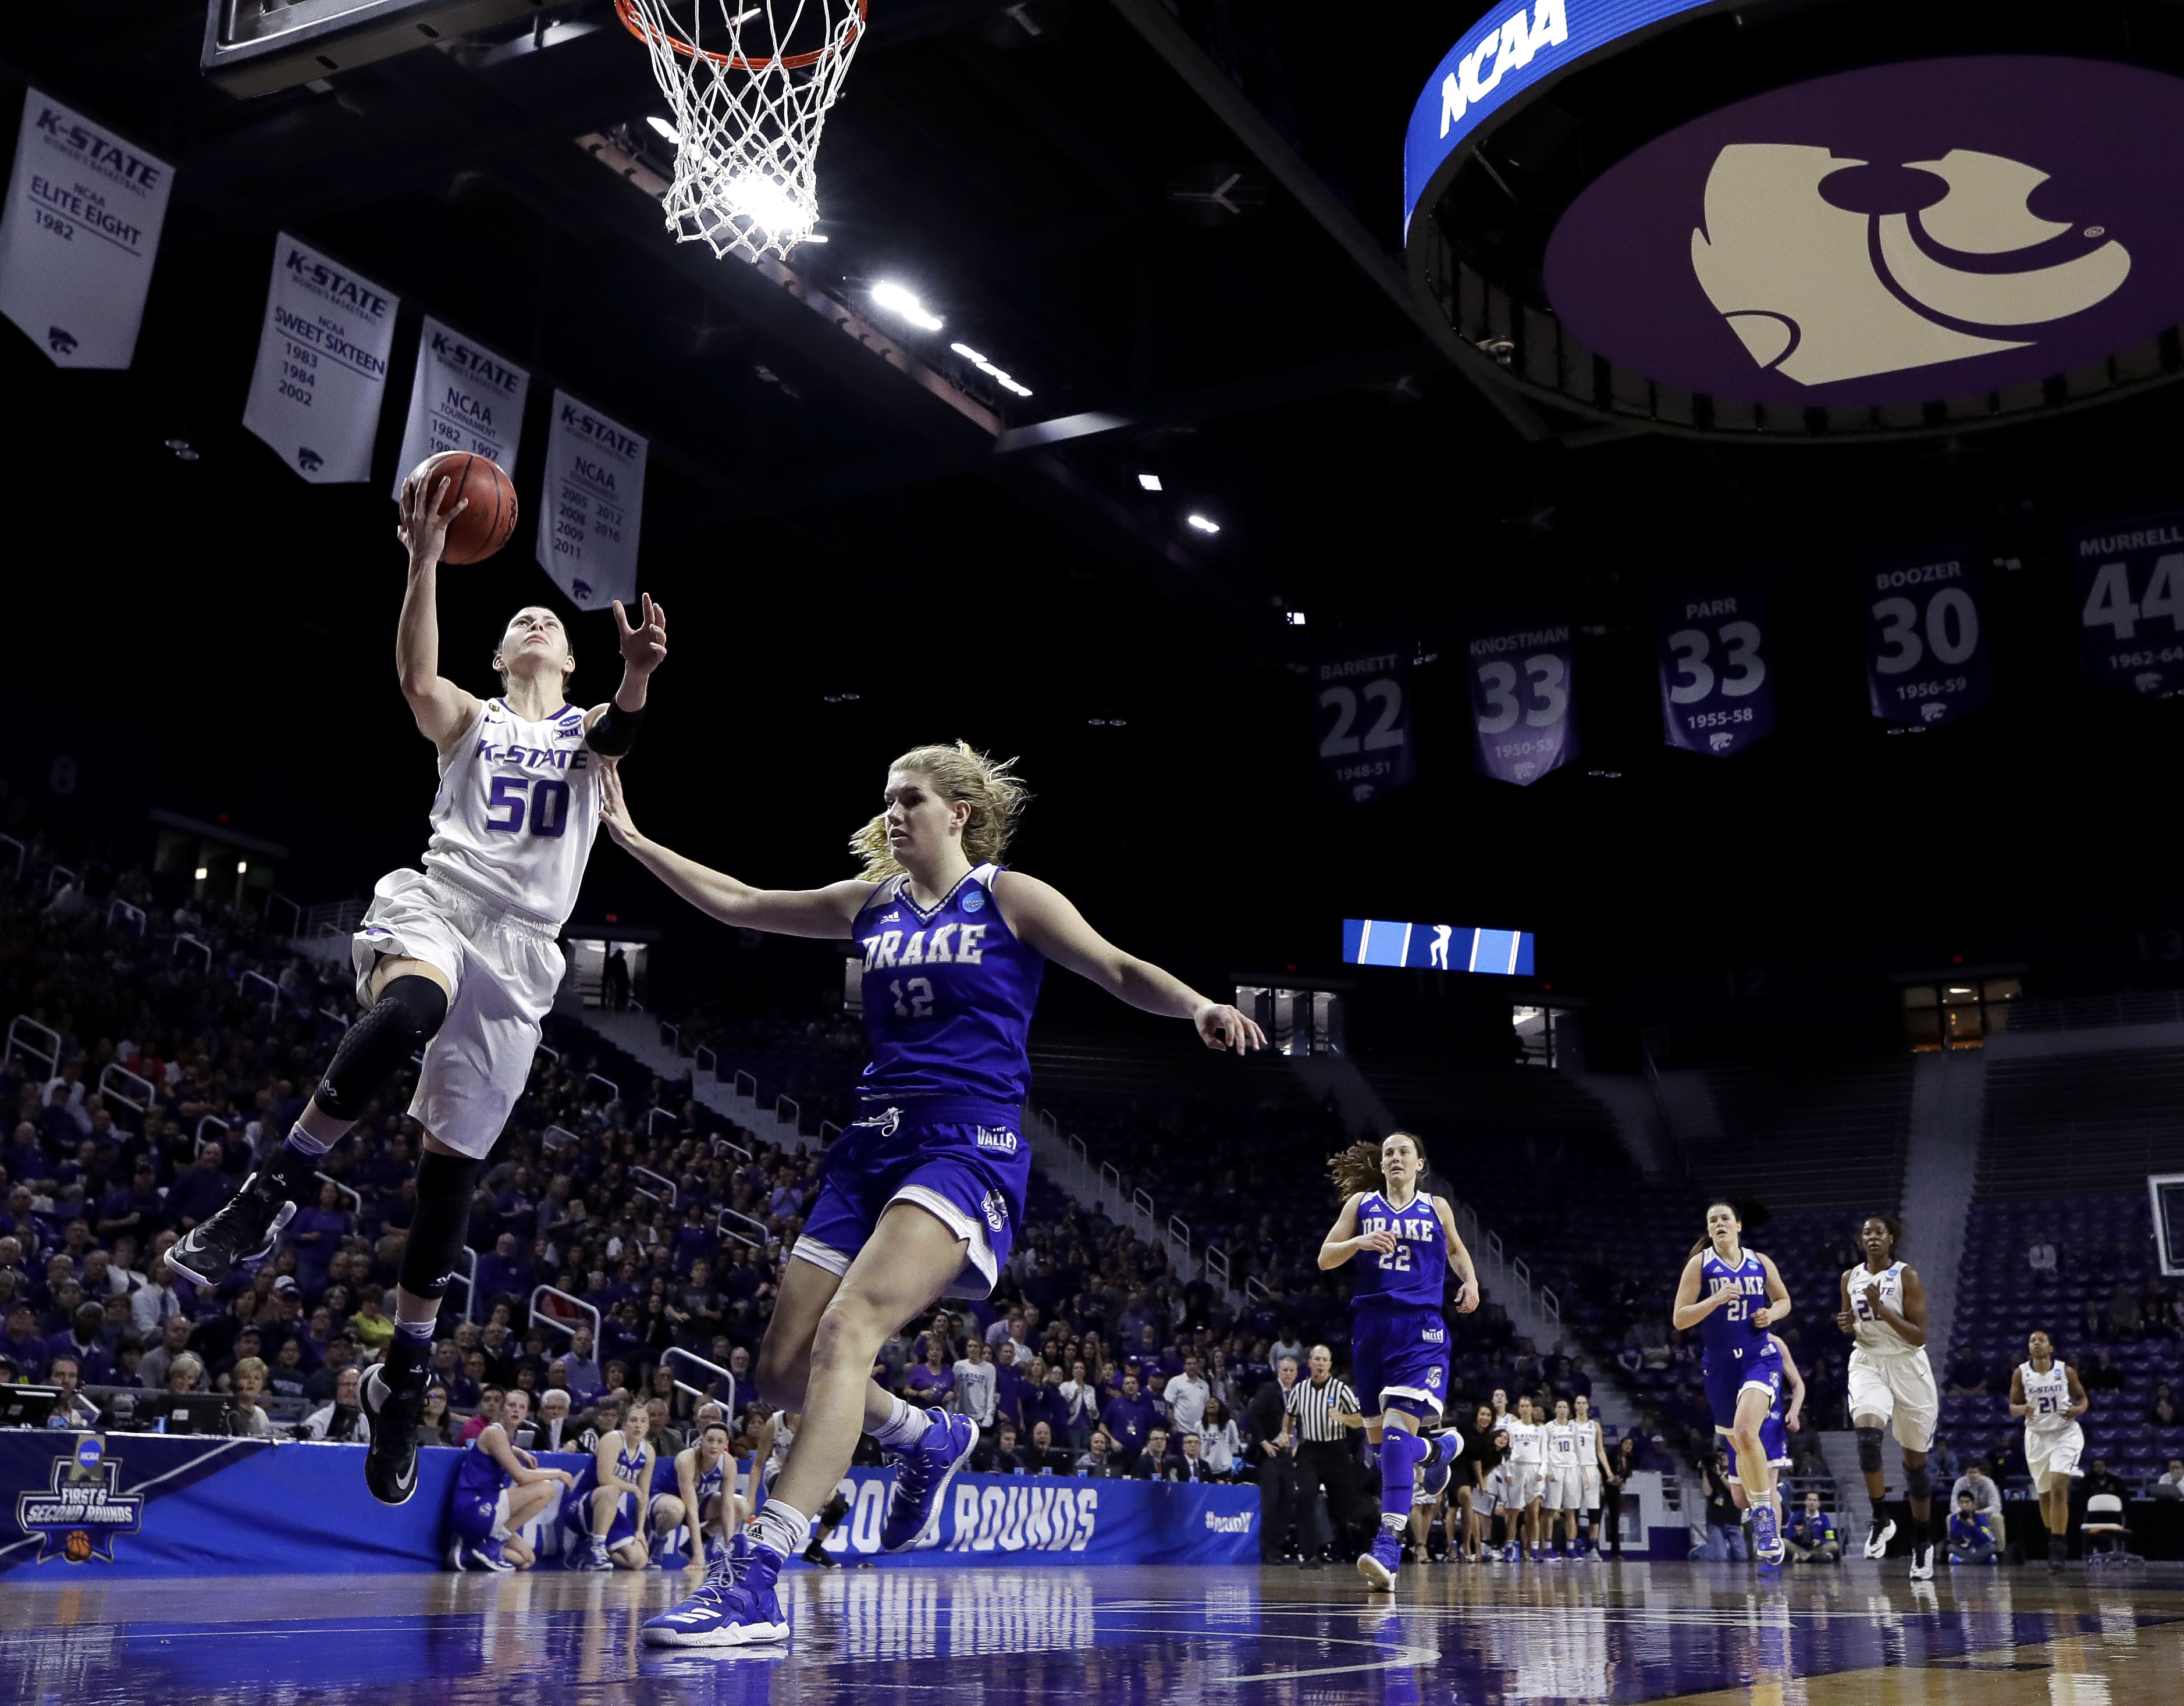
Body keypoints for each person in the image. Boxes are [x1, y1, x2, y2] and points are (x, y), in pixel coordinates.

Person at [611, 740, 1265, 1646]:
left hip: (967, 1144)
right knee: (779, 1370)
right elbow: (741, 902)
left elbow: (1114, 967)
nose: (892, 813)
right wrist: (637, 840)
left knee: (849, 1331)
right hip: (869, 1147)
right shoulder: (869, 903)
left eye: (909, 799)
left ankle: (756, 1576)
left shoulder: (1007, 896)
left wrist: (1196, 1005)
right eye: (886, 799)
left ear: (957, 812)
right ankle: (923, 1436)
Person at [169, 471, 669, 1516]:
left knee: (451, 1184)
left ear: (568, 657)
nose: (534, 620)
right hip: (440, 903)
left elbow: (617, 739)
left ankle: (406, 1372)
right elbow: (412, 673)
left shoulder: (584, 729)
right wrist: (425, 560)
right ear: (497, 656)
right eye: (518, 619)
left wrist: (632, 681)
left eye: (548, 621)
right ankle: (269, 1191)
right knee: (405, 1012)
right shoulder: (471, 718)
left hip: (528, 953)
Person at [1317, 1130, 1477, 1589]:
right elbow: (1326, 1257)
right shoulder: (1362, 1205)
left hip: (1420, 1329)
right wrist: (1358, 1245)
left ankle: (1389, 1544)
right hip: (1370, 1330)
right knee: (1382, 1451)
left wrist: (1470, 1283)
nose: (1394, 1158)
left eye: (1403, 1151)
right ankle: (1439, 1448)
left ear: (1420, 1163)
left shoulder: (1436, 1207)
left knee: (1392, 1440)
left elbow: (1455, 1250)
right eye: (1388, 1152)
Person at [1673, 1201, 1791, 1566]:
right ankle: (1756, 1504)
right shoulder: (1700, 1265)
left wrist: (1771, 1313)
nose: (1719, 1224)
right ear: (1709, 1231)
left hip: (1760, 1357)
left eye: (1725, 1218)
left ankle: (1765, 1517)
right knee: (1737, 1447)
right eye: (1713, 1220)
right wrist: (1716, 1299)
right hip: (1721, 1367)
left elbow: (1784, 1300)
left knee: (1745, 1430)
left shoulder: (1761, 1261)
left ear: (1738, 1225)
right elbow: (1680, 1318)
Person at [1832, 1215, 1940, 1577]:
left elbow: (1919, 1336)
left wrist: (1882, 1311)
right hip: (1869, 1362)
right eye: (1867, 1233)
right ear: (1861, 1241)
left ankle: (1922, 1545)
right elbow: (1852, 1321)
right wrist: (1848, 1323)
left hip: (1908, 1367)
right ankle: (1881, 1519)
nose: (1873, 1238)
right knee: (1867, 1440)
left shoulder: (1906, 1276)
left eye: (1879, 1232)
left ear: (1891, 1239)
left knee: (1915, 1468)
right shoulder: (1850, 1278)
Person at [448, 1388, 575, 1572]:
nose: (517, 1410)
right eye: (512, 1405)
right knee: (547, 1489)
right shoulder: (494, 1432)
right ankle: (492, 1544)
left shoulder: (506, 1439)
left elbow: (503, 1448)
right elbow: (521, 1476)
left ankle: (470, 1553)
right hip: (474, 1505)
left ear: (526, 1414)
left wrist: (520, 1451)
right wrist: (557, 1473)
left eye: (522, 1407)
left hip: (488, 1504)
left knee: (527, 1560)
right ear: (502, 1409)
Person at [2009, 1329, 2089, 1571]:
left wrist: (2078, 1410)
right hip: (2036, 1437)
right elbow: (2012, 1406)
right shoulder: (2021, 1373)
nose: (2036, 1343)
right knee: (2044, 1495)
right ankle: (2053, 1535)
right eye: (2032, 1341)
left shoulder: (2065, 1371)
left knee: (2058, 1488)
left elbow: (2083, 1399)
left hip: (2064, 1433)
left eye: (2041, 1340)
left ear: (2051, 1347)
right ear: (2029, 1348)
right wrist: (2021, 1409)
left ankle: (2058, 1549)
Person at [1282, 1344, 1364, 1568]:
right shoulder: (1300, 1390)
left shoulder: (1341, 1389)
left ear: (1330, 1364)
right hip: (1310, 1451)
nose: (1320, 1363)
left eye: (1324, 1360)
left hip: (1336, 1451)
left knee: (1344, 1505)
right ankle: (1309, 1554)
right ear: (1309, 1363)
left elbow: (1360, 1420)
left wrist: (1342, 1418)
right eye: (1316, 1359)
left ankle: (1352, 1546)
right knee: (1305, 1497)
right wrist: (1287, 1435)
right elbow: (1289, 1415)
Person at [569, 1398, 657, 1570]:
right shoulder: (613, 1439)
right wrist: (633, 1488)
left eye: (643, 1421)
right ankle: (596, 1547)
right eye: (633, 1420)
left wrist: (640, 1530)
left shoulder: (649, 1452)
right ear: (624, 1424)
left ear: (648, 1426)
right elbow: (605, 1479)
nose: (638, 1425)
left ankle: (587, 1551)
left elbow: (644, 1494)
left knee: (639, 1561)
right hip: (581, 1504)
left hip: (608, 1511)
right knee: (610, 1490)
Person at [650, 1419, 744, 1569]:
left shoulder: (729, 1463)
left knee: (740, 1506)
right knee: (677, 1509)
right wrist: (699, 1557)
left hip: (696, 1500)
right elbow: (691, 1510)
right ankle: (657, 1538)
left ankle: (691, 1546)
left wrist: (731, 1549)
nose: (714, 1445)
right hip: (664, 1499)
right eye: (710, 1440)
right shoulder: (687, 1459)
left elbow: (727, 1507)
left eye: (719, 1442)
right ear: (702, 1440)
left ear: (726, 1443)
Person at [1248, 1356, 1300, 1563]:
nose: (1288, 1374)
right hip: (1270, 1455)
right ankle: (1266, 1550)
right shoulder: (1269, 1390)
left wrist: (1299, 1443)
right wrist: (1263, 1442)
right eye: (1285, 1370)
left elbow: (1300, 1422)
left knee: (1286, 1503)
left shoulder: (1297, 1395)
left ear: (1296, 1374)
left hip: (1288, 1455)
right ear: (1279, 1371)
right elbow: (1252, 1415)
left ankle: (1277, 1549)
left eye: (1292, 1371)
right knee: (1271, 1502)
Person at [1500, 1395, 1545, 1562]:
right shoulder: (1512, 1427)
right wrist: (1508, 1472)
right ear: (1518, 1409)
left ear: (1532, 1408)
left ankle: (1534, 1549)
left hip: (1534, 1469)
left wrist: (1543, 1470)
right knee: (1513, 1513)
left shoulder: (1540, 1429)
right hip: (1517, 1468)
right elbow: (1507, 1452)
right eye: (1522, 1406)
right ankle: (1510, 1548)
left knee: (1534, 1513)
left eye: (1528, 1405)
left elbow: (1545, 1453)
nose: (1525, 1408)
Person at [1541, 1397, 1584, 1559]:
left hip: (1571, 1469)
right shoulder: (1548, 1427)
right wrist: (1548, 1469)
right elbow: (1544, 1450)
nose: (1562, 1409)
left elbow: (1579, 1451)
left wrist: (1581, 1472)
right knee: (1550, 1509)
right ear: (1555, 1410)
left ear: (1569, 1410)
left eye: (1565, 1407)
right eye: (1559, 1407)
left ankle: (1571, 1547)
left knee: (1571, 1510)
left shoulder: (1574, 1427)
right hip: (1555, 1469)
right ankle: (1548, 1546)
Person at [1573, 1393, 1613, 1558]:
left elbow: (1600, 1450)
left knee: (1594, 1509)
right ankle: (1574, 1545)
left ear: (1588, 1406)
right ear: (1575, 1406)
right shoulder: (1569, 1425)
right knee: (1573, 1509)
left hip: (1592, 1468)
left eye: (1584, 1403)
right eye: (1578, 1403)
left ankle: (1593, 1547)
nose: (1581, 1406)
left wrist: (1608, 1471)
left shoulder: (1595, 1426)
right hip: (1574, 1468)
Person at [301, 1366, 372, 1442]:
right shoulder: (317, 1422)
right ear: (336, 1388)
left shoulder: (368, 1422)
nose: (351, 1389)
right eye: (346, 1385)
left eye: (356, 1385)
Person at [1945, 1490, 2000, 1566]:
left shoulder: (1981, 1518)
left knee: (1992, 1547)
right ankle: (1983, 1561)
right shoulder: (1954, 1518)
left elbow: (1986, 1538)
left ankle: (1962, 1561)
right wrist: (1959, 1523)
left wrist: (1973, 1526)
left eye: (1967, 1502)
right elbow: (1953, 1536)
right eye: (1962, 1502)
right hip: (1965, 1549)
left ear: (1973, 1504)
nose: (1964, 1505)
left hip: (1980, 1548)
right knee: (1950, 1548)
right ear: (1959, 1504)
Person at [1786, 1491, 1840, 1563]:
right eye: (1810, 1500)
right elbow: (1788, 1536)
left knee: (1834, 1545)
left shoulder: (1824, 1518)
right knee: (1783, 1542)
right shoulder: (1797, 1516)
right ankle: (1814, 1557)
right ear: (1805, 1502)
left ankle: (1805, 1557)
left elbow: (1830, 1537)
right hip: (1800, 1547)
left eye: (1815, 1500)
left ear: (1819, 1504)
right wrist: (1796, 1534)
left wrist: (1820, 1542)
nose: (1812, 1502)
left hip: (1816, 1548)